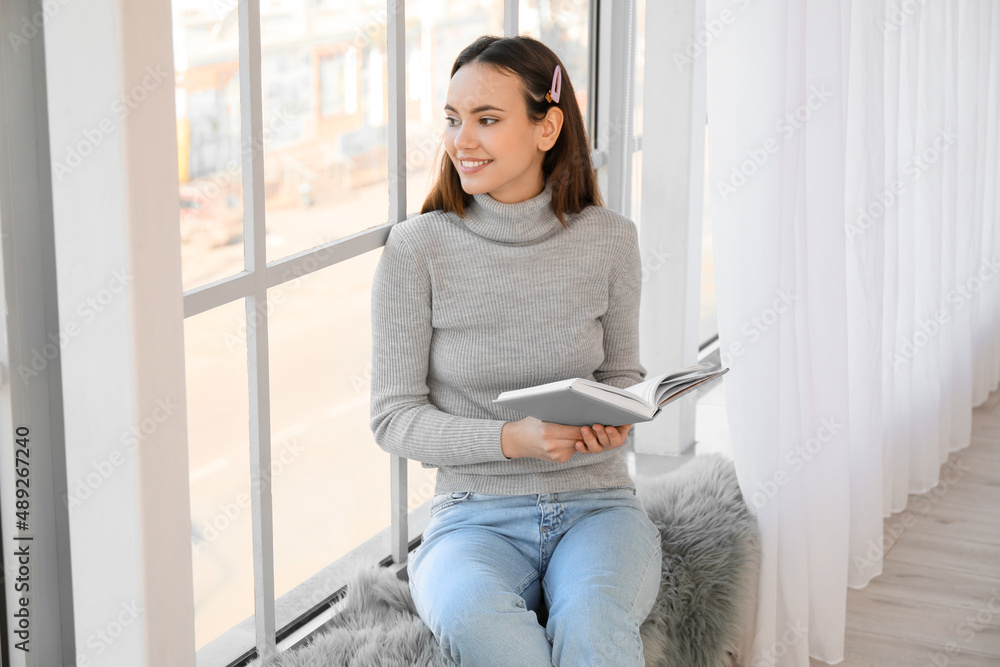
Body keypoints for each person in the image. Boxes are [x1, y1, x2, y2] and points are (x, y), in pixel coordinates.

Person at [369, 34, 662, 666]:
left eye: (487, 120)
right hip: (471, 518)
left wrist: (613, 421)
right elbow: (393, 418)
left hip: (599, 508)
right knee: (484, 628)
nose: (461, 140)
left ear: (547, 126)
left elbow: (621, 377)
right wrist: (514, 440)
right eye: (453, 119)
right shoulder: (417, 249)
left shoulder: (610, 241)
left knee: (594, 619)